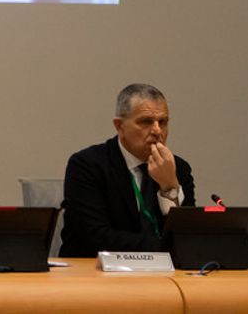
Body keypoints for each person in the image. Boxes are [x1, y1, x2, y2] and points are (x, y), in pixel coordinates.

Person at [58, 82, 196, 257]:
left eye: (163, 122)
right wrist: (166, 248)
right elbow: (95, 238)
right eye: (146, 122)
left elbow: (188, 238)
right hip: (96, 274)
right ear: (119, 126)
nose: (157, 130)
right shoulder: (87, 165)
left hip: (162, 276)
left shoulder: (178, 168)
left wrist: (169, 188)